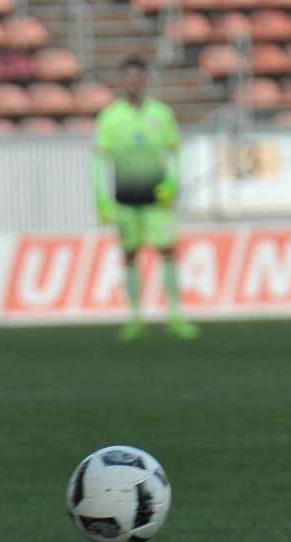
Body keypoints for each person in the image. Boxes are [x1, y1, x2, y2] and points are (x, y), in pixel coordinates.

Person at [93, 56, 199, 341]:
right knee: (129, 254)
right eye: (128, 78)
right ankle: (136, 316)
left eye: (138, 78)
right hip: (126, 196)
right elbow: (100, 160)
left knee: (167, 250)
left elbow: (174, 151)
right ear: (121, 82)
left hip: (156, 197)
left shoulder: (161, 114)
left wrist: (173, 182)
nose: (133, 83)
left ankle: (175, 314)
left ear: (145, 81)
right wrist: (100, 197)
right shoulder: (110, 116)